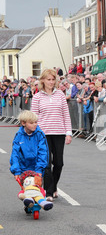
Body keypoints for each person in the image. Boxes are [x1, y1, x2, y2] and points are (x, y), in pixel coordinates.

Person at [31, 68, 72, 202]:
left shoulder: (60, 94)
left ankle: (54, 186)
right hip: (43, 134)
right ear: (43, 80)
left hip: (59, 132)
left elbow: (66, 114)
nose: (51, 82)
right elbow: (33, 117)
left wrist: (68, 133)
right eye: (48, 79)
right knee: (46, 164)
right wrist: (33, 133)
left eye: (53, 79)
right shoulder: (37, 97)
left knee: (59, 163)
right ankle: (48, 192)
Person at [9, 110, 53, 211]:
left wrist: (39, 170)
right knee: (26, 186)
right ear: (24, 123)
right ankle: (28, 203)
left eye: (36, 122)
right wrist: (16, 170)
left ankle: (37, 204)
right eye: (31, 123)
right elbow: (15, 154)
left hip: (36, 166)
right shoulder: (19, 135)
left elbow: (43, 152)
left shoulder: (39, 134)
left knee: (36, 186)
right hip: (23, 166)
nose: (35, 125)